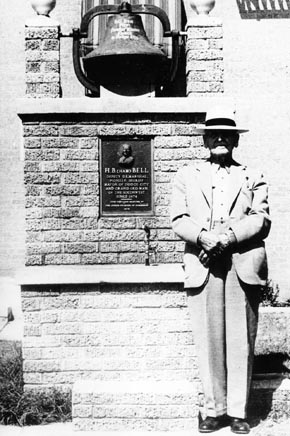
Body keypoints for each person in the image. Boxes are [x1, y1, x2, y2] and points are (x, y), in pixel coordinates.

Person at [171, 107, 271, 434]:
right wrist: (204, 238)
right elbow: (179, 218)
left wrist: (228, 237)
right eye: (213, 133)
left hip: (241, 262)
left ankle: (239, 411)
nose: (219, 139)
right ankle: (213, 410)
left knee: (240, 337)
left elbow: (260, 219)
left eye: (226, 134)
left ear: (235, 140)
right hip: (204, 261)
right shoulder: (187, 175)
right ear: (204, 139)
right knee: (209, 338)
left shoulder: (252, 175)